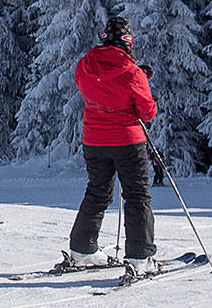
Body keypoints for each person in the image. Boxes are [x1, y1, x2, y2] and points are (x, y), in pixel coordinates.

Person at [63, 16, 160, 280]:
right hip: (127, 140)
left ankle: (82, 249)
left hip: (94, 139)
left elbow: (87, 86)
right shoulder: (132, 72)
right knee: (137, 195)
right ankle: (140, 257)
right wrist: (141, 79)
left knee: (97, 192)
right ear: (128, 43)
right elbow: (147, 111)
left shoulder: (85, 64)